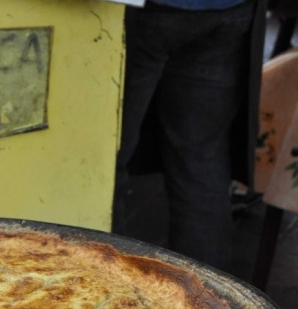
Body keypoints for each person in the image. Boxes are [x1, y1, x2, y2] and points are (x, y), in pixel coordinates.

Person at [112, 0, 267, 272]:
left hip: (145, 10)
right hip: (227, 8)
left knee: (107, 156)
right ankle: (208, 296)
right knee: (200, 161)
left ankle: (107, 291)